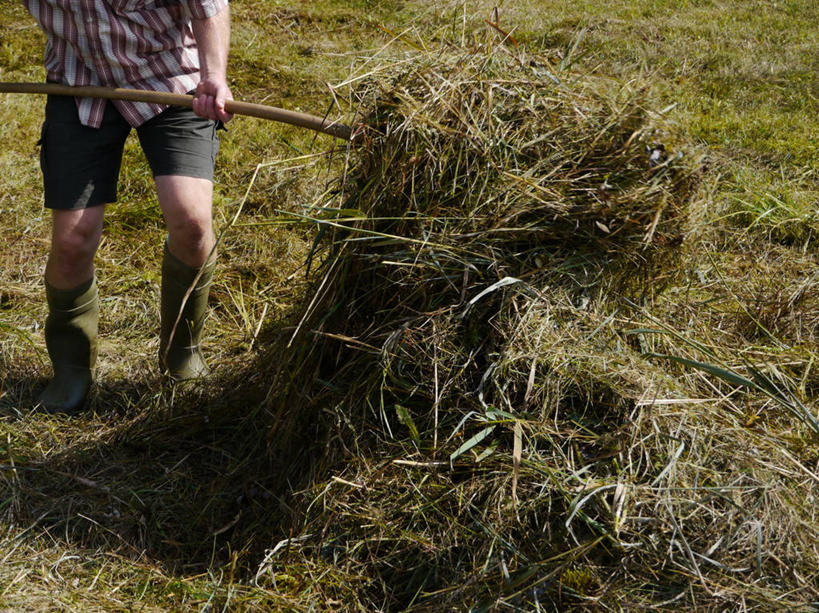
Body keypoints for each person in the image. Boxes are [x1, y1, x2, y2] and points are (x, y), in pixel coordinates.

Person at [22, 0, 233, 413]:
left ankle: (181, 356)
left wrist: (214, 76)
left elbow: (209, 6)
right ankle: (71, 370)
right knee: (72, 242)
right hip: (77, 83)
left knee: (191, 221)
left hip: (171, 79)